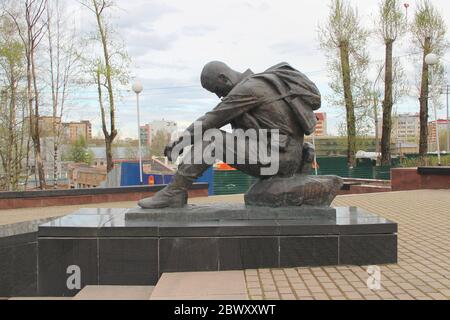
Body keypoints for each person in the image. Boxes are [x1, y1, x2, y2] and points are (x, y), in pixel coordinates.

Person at [138, 61, 321, 209]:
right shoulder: (263, 83)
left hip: (279, 158)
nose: (220, 96)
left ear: (224, 78)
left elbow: (212, 119)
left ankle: (174, 193)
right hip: (286, 154)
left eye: (217, 90)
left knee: (213, 139)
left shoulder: (249, 88)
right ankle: (175, 192)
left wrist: (179, 142)